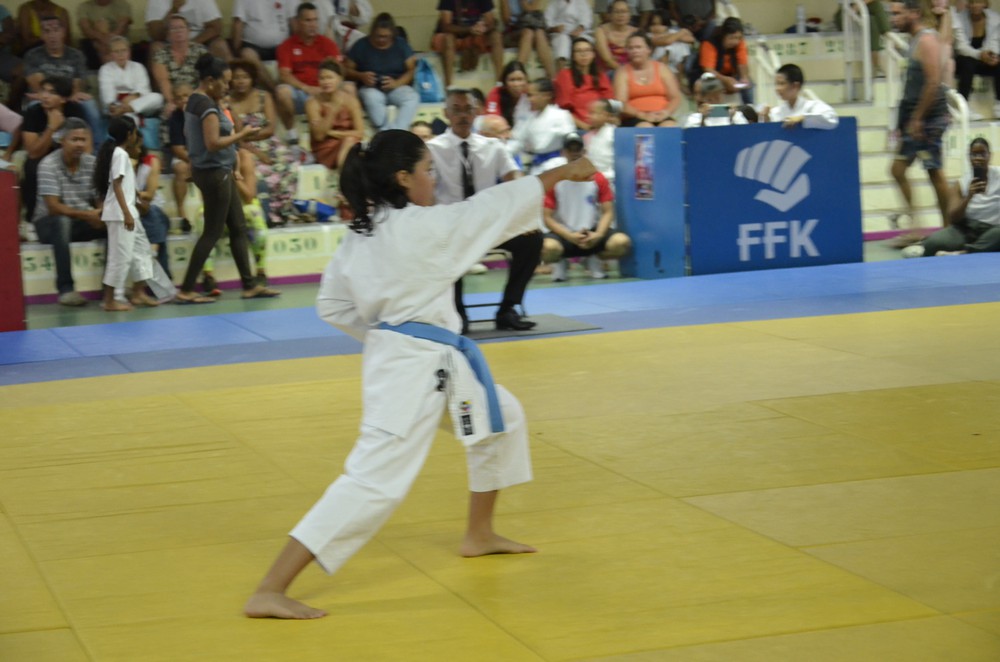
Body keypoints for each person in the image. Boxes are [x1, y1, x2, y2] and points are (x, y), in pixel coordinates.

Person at [242, 128, 596, 620]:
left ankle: (479, 533)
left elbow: (333, 307)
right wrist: (563, 171)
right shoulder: (424, 227)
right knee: (374, 481)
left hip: (431, 361)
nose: (435, 178)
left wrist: (386, 334)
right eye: (428, 170)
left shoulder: (362, 233)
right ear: (403, 177)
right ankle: (270, 588)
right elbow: (495, 205)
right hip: (411, 372)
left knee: (501, 418)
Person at [430, 89, 542, 333]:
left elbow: (515, 180)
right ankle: (457, 312)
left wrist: (522, 217)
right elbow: (427, 191)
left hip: (488, 224)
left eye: (468, 109)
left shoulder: (493, 146)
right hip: (451, 225)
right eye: (456, 109)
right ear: (446, 113)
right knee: (443, 245)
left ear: (477, 112)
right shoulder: (432, 149)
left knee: (532, 239)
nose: (463, 115)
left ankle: (508, 308)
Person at [177, 53, 280, 303]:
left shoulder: (196, 101)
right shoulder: (206, 107)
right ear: (210, 81)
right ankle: (186, 289)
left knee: (238, 227)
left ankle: (249, 285)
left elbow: (196, 138)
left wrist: (231, 162)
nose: (228, 86)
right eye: (224, 81)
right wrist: (242, 135)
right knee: (212, 232)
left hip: (217, 171)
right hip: (214, 173)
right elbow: (213, 143)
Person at [94, 115, 176, 311]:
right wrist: (127, 213)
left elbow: (124, 186)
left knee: (143, 252)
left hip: (129, 211)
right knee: (120, 257)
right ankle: (109, 300)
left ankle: (139, 293)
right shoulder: (120, 154)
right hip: (121, 214)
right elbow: (117, 185)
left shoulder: (119, 154)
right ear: (129, 134)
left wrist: (136, 198)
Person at [888, 0, 951, 247]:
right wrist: (903, 121)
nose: (893, 18)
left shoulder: (926, 40)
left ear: (914, 13)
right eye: (892, 14)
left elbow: (933, 82)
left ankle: (949, 230)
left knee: (934, 171)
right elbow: (911, 87)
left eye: (897, 13)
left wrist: (918, 118)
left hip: (930, 117)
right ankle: (915, 228)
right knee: (898, 169)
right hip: (914, 117)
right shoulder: (912, 42)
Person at [31, 117, 105, 306]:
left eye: (83, 140)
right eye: (74, 139)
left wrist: (100, 214)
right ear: (62, 141)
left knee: (114, 223)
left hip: (81, 219)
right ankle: (66, 289)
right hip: (48, 223)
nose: (79, 144)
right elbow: (53, 207)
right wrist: (88, 215)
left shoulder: (93, 163)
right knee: (62, 222)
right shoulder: (48, 165)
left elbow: (99, 198)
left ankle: (112, 287)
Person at [542, 133, 630, 281]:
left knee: (621, 243)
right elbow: (546, 217)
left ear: (584, 151)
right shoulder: (553, 180)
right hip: (564, 234)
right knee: (547, 248)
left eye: (578, 149)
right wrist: (569, 236)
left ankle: (593, 258)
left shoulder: (598, 178)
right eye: (570, 149)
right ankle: (560, 262)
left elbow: (608, 211)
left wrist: (598, 235)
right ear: (563, 152)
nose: (574, 153)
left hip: (592, 233)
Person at [227, 59, 299, 224]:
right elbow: (235, 136)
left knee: (290, 165)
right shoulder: (227, 101)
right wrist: (254, 148)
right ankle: (266, 215)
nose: (241, 81)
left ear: (252, 78)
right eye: (237, 77)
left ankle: (283, 212)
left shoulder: (264, 96)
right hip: (243, 148)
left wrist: (247, 135)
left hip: (269, 142)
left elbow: (270, 128)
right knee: (259, 172)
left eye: (245, 77)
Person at [904, 137, 1000, 257]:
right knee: (932, 243)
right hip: (966, 229)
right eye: (974, 155)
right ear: (969, 157)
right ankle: (972, 249)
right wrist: (969, 196)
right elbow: (953, 218)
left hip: (993, 229)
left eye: (982, 154)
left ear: (989, 155)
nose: (978, 158)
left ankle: (964, 252)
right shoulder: (959, 184)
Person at [20, 75, 87, 223]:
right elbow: (33, 153)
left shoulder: (76, 111)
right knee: (32, 167)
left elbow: (85, 145)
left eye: (51, 93)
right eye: (43, 91)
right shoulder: (33, 112)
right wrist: (51, 127)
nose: (45, 96)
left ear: (63, 99)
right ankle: (32, 220)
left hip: (70, 157)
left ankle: (83, 213)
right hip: (42, 158)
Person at [23, 15, 101, 136]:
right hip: (43, 98)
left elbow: (78, 83)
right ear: (42, 35)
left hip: (69, 97)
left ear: (63, 32)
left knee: (90, 105)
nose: (52, 35)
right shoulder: (32, 55)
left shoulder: (76, 55)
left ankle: (98, 145)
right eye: (47, 31)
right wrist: (57, 97)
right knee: (32, 106)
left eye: (56, 30)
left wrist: (66, 96)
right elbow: (37, 85)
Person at [276, 3, 342, 143]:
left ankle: (342, 131)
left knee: (349, 88)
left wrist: (325, 88)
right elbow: (284, 75)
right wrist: (306, 88)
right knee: (282, 91)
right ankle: (292, 135)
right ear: (298, 22)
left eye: (315, 20)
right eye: (308, 20)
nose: (313, 25)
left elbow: (339, 71)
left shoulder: (327, 44)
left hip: (325, 92)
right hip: (301, 93)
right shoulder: (287, 46)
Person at [345, 13, 420, 132]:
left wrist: (396, 83)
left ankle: (397, 132)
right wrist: (361, 76)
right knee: (371, 96)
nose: (381, 40)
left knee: (412, 97)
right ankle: (385, 133)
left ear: (392, 35)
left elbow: (412, 70)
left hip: (396, 87)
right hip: (371, 88)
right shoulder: (361, 45)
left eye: (386, 37)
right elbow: (346, 70)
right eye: (378, 36)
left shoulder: (401, 44)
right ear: (372, 33)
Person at [432, 0, 505, 87]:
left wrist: (482, 28)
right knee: (448, 39)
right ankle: (449, 86)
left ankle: (500, 83)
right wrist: (470, 29)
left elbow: (491, 23)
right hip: (455, 35)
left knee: (496, 36)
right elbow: (445, 26)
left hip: (476, 35)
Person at [306, 58, 363, 169]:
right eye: (322, 78)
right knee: (350, 141)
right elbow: (319, 136)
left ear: (340, 79)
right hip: (325, 149)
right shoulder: (313, 103)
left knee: (350, 142)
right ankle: (344, 174)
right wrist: (333, 109)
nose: (326, 82)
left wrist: (332, 132)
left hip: (348, 144)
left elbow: (360, 133)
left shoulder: (351, 101)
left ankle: (343, 173)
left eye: (330, 77)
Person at [614, 33, 681, 127]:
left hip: (661, 115)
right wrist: (641, 115)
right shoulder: (622, 72)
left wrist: (666, 112)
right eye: (630, 48)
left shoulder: (662, 68)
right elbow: (620, 103)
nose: (634, 51)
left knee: (669, 126)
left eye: (638, 47)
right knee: (645, 127)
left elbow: (675, 97)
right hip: (634, 117)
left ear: (649, 49)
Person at [512, 77, 577, 174]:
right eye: (528, 96)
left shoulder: (561, 115)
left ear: (546, 95)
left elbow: (571, 141)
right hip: (536, 166)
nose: (529, 99)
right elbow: (518, 142)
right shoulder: (530, 118)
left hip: (558, 164)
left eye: (532, 95)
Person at [150, 14, 208, 120]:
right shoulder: (160, 55)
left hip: (197, 98)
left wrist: (191, 101)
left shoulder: (201, 51)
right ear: (168, 34)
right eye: (174, 28)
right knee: (170, 113)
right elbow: (164, 83)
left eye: (181, 27)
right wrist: (175, 102)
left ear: (189, 31)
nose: (178, 31)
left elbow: (206, 80)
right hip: (173, 100)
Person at [133, 131, 172, 279]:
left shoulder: (151, 161)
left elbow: (149, 195)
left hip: (151, 208)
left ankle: (151, 256)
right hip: (133, 211)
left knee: (153, 215)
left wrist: (131, 193)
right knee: (157, 225)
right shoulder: (119, 164)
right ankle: (154, 258)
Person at [98, 36, 164, 124]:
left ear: (129, 51)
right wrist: (115, 105)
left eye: (123, 50)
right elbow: (107, 94)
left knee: (157, 97)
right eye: (116, 51)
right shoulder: (105, 69)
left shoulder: (138, 67)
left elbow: (143, 90)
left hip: (139, 103)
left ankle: (127, 110)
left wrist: (131, 100)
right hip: (117, 105)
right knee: (129, 118)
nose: (120, 54)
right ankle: (126, 113)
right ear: (111, 54)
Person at [230, 0, 293, 90]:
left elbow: (294, 22)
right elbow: (238, 23)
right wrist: (236, 52)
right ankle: (274, 91)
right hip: (253, 47)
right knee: (246, 54)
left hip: (283, 46)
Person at [953, 0, 1000, 119]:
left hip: (984, 59)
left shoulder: (995, 19)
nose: (975, 6)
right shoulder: (959, 19)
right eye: (972, 2)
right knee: (967, 62)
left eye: (979, 2)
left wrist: (992, 55)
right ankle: (963, 105)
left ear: (985, 3)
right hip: (963, 59)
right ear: (968, 4)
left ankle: (999, 104)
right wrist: (980, 55)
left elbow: (994, 43)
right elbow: (961, 47)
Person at [555, 37, 614, 130]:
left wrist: (608, 122)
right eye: (579, 51)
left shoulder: (601, 75)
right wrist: (585, 127)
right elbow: (563, 111)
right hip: (576, 126)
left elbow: (610, 103)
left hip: (602, 125)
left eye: (587, 50)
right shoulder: (565, 75)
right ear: (573, 56)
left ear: (593, 54)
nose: (584, 54)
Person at [760, 63, 839, 130]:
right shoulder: (776, 111)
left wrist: (802, 118)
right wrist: (766, 119)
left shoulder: (812, 106)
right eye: (776, 84)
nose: (777, 88)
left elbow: (832, 120)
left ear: (796, 86)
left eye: (781, 83)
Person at [145, 0, 229, 60]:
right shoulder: (157, 1)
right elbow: (155, 34)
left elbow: (216, 27)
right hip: (169, 44)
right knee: (156, 48)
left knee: (219, 45)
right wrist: (173, 10)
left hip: (199, 42)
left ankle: (226, 79)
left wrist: (191, 44)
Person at [695, 17, 753, 105]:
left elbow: (742, 63)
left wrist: (744, 77)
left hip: (732, 75)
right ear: (724, 35)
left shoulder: (739, 42)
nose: (735, 41)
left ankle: (749, 107)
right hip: (713, 77)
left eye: (738, 38)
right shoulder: (709, 43)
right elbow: (708, 70)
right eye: (731, 38)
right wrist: (724, 80)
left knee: (748, 84)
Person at [499, 0, 555, 79]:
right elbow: (506, 20)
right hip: (514, 30)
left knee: (539, 33)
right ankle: (517, 74)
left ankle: (552, 77)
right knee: (528, 33)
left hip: (534, 28)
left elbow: (531, 10)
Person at [835, 0, 891, 77]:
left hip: (860, 11)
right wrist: (857, 6)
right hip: (845, 14)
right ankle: (888, 36)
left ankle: (888, 34)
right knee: (871, 17)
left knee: (873, 15)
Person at [76, 0, 132, 70]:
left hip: (117, 40)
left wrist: (108, 38)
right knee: (99, 29)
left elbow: (122, 28)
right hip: (94, 43)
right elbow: (86, 29)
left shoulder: (123, 5)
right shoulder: (84, 7)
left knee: (118, 44)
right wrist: (103, 38)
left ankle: (110, 67)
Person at [683, 73, 748, 127]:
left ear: (723, 93)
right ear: (704, 97)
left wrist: (732, 118)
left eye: (717, 97)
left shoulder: (736, 115)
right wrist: (703, 119)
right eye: (710, 98)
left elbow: (744, 133)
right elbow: (692, 135)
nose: (714, 100)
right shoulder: (695, 118)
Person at [544, 0, 594, 66]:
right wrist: (555, 29)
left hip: (579, 31)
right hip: (559, 33)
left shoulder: (581, 2)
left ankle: (584, 70)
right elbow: (547, 21)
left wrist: (579, 30)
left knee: (583, 42)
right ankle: (561, 69)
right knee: (562, 41)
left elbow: (586, 18)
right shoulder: (554, 3)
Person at [485, 60, 532, 129]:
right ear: (505, 83)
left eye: (520, 79)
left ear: (526, 80)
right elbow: (492, 119)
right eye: (512, 80)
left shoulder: (531, 92)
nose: (516, 84)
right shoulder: (496, 93)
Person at [594, 0, 639, 71]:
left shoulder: (636, 32)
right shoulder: (601, 31)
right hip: (607, 72)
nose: (620, 15)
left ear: (630, 14)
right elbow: (608, 60)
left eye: (624, 11)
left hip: (632, 71)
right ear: (610, 15)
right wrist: (625, 73)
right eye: (616, 12)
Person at [584, 98, 616, 185]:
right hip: (591, 179)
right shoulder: (587, 136)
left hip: (609, 179)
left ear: (605, 115)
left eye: (592, 113)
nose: (588, 116)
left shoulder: (612, 133)